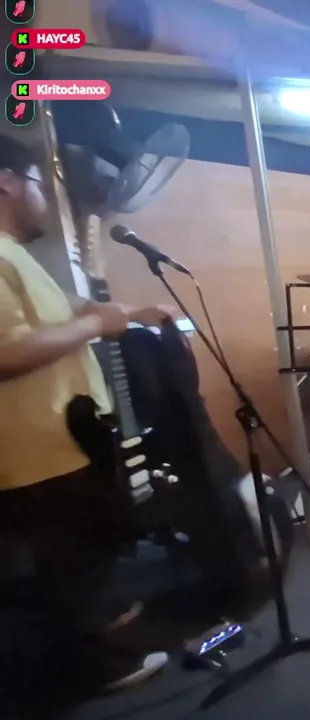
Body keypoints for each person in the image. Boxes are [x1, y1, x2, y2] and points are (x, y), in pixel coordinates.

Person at [0, 135, 173, 711]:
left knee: (87, 548)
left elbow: (53, 316)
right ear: (6, 182)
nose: (43, 198)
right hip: (35, 450)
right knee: (68, 556)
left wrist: (121, 313)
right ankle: (86, 668)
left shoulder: (13, 252)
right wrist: (97, 326)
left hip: (64, 438)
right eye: (37, 183)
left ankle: (94, 623)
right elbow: (6, 352)